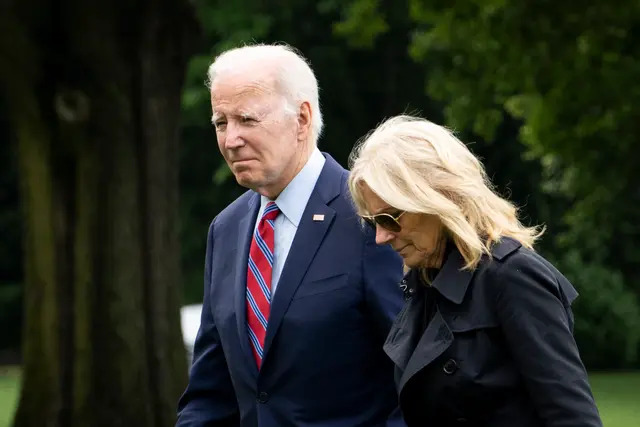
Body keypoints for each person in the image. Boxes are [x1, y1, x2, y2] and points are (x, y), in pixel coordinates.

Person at [176, 44, 406, 427]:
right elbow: (211, 392)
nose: (231, 139)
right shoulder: (226, 229)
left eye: (247, 120)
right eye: (221, 122)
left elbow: (415, 377)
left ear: (302, 119)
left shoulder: (369, 217)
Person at [347, 115, 603, 426]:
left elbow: (573, 417)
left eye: (389, 219)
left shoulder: (512, 276)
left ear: (438, 198)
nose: (381, 237)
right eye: (375, 223)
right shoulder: (422, 282)